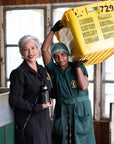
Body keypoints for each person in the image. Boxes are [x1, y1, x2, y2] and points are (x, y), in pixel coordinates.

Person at [41, 21, 96, 144]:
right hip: (62, 109)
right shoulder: (54, 70)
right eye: (56, 56)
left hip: (81, 109)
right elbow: (44, 50)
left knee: (83, 139)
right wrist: (52, 31)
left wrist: (77, 67)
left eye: (63, 54)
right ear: (54, 59)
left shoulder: (78, 67)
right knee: (62, 139)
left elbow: (83, 86)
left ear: (67, 54)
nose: (60, 59)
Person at [9, 35, 53, 144]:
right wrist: (37, 107)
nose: (30, 52)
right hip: (30, 121)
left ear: (38, 49)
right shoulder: (19, 73)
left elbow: (49, 90)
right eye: (26, 49)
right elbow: (14, 99)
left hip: (44, 119)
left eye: (33, 48)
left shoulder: (42, 70)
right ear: (21, 53)